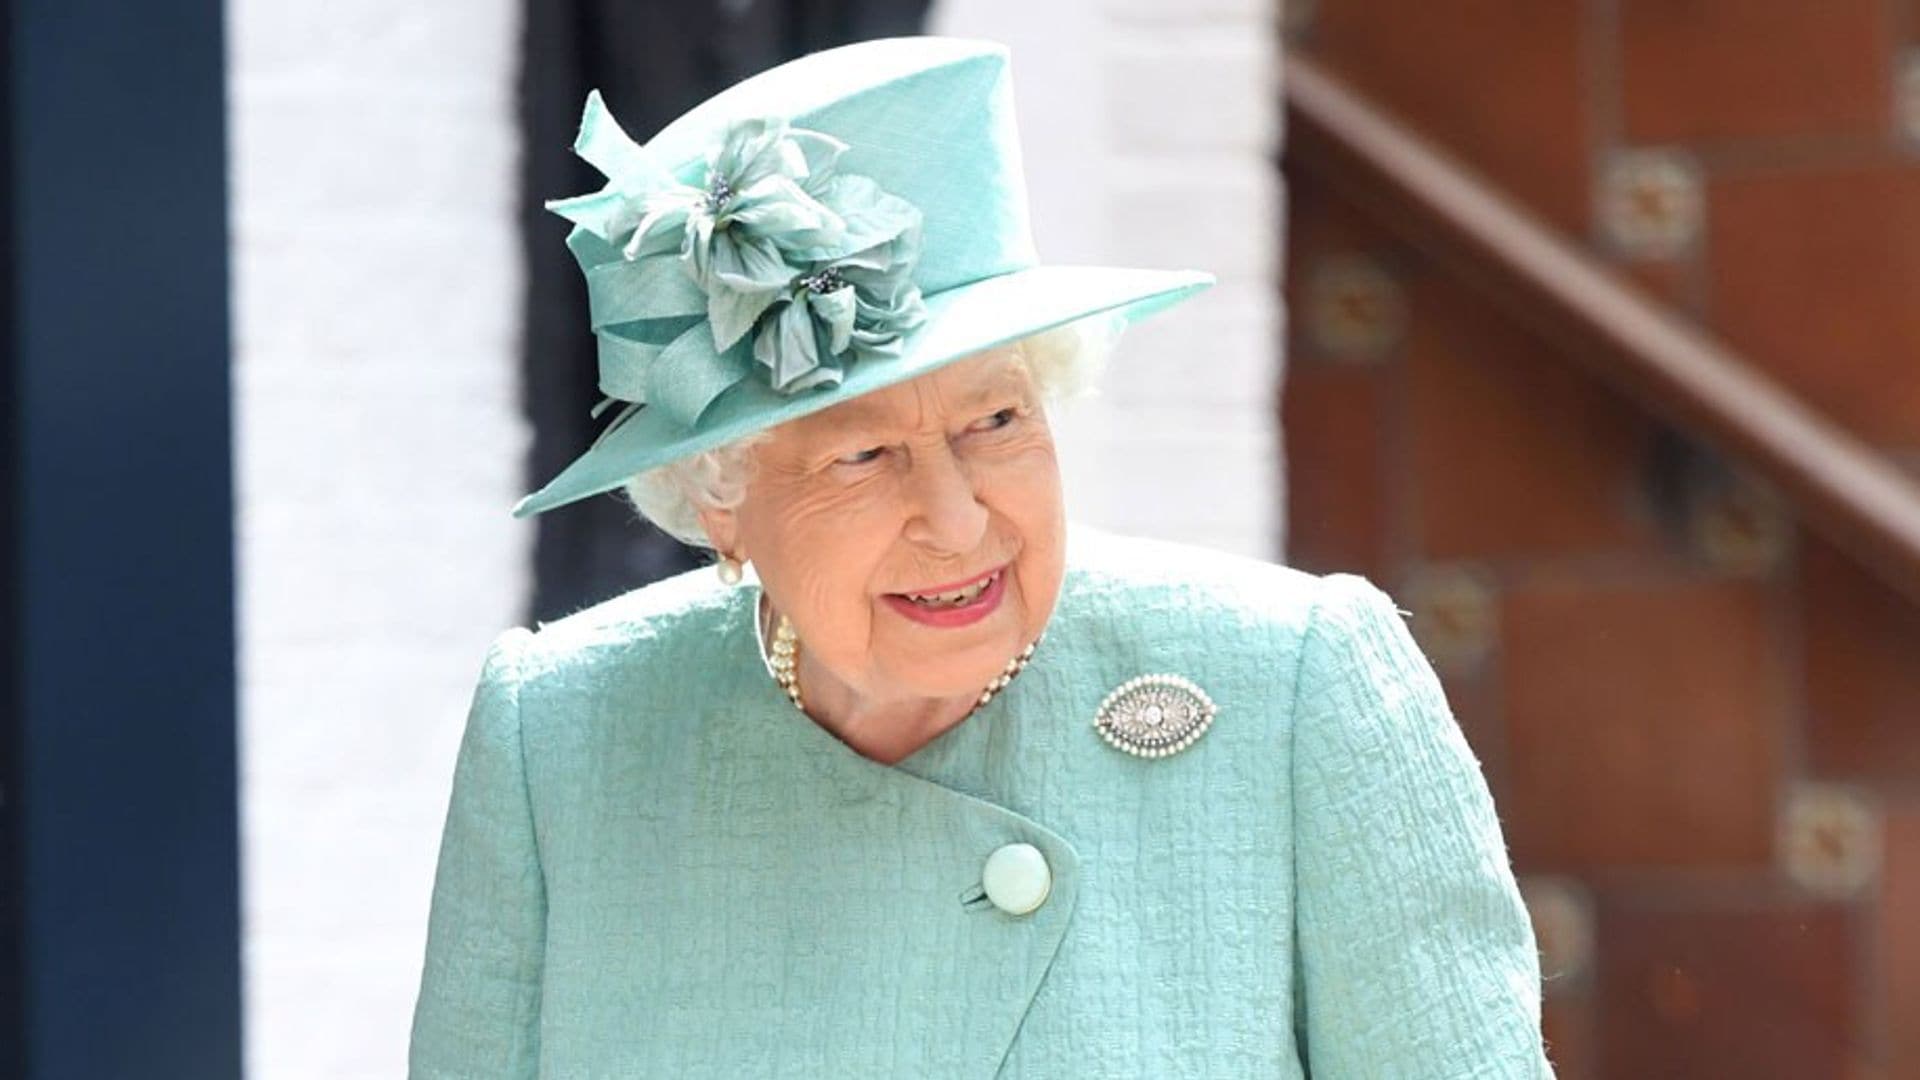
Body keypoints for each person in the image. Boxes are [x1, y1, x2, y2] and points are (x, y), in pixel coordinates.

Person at [408, 36, 1552, 1078]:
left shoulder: (1293, 689)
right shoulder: (559, 741)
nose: (958, 522)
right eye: (860, 455)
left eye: (995, 422)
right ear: (721, 502)